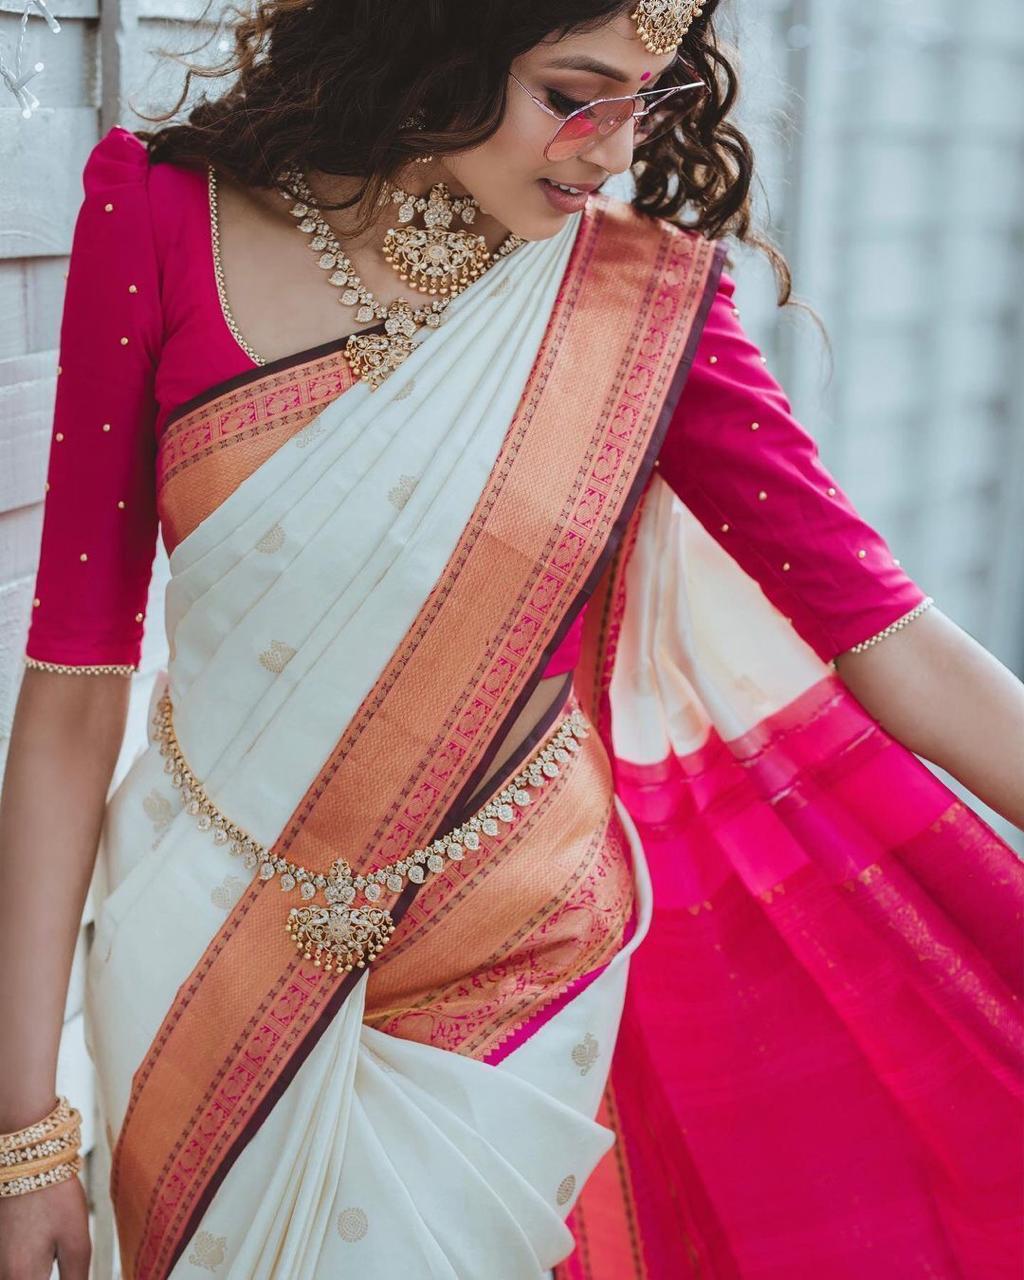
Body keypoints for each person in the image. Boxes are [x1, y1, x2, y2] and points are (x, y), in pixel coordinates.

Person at [1, 1, 1022, 1277]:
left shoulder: (637, 309)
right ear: (440, 34)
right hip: (199, 949)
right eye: (569, 93)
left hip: (515, 967)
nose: (607, 151)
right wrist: (23, 1124)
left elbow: (891, 640)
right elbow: (71, 688)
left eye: (641, 100)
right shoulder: (155, 218)